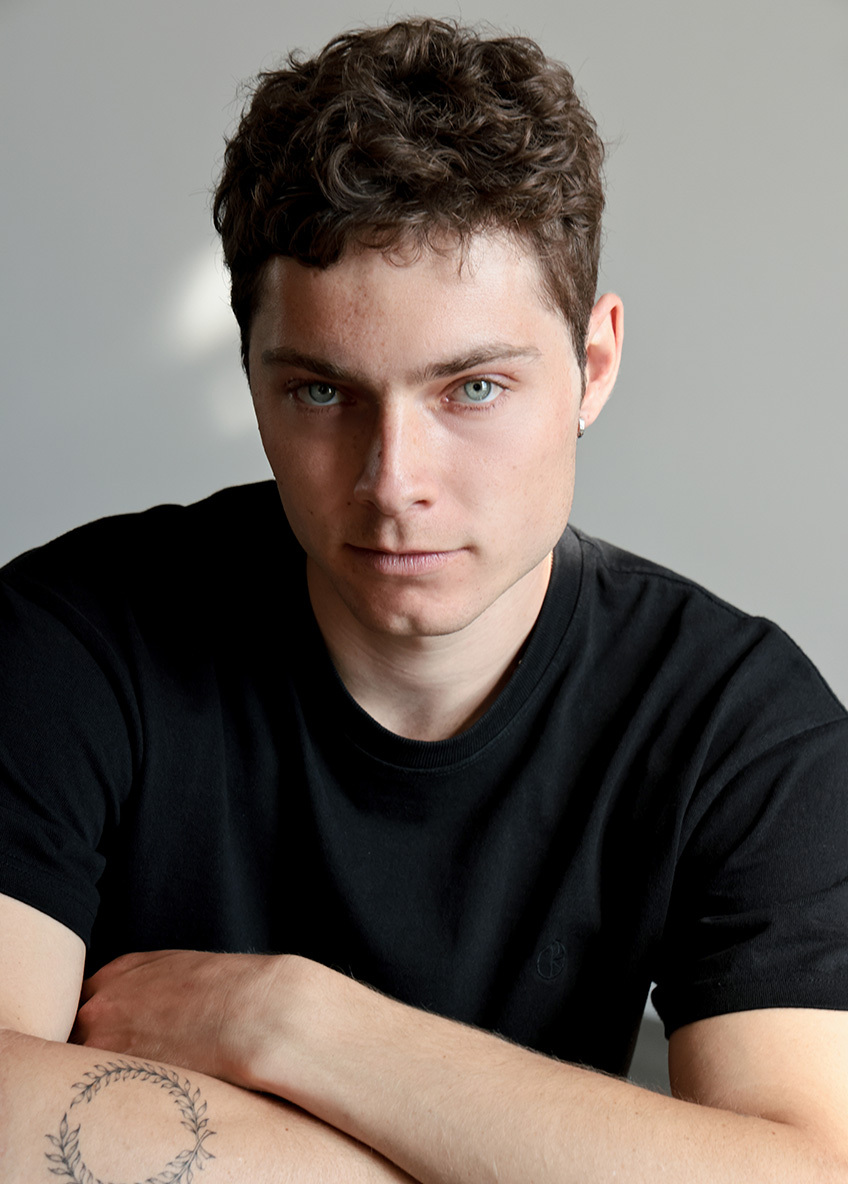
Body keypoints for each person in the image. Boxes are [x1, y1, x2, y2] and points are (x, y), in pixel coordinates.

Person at [1, 17, 847, 1183]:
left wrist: (294, 1022)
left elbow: (803, 1169)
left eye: (473, 387)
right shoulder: (68, 640)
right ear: (250, 376)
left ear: (592, 366)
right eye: (321, 392)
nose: (392, 481)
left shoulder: (736, 726)